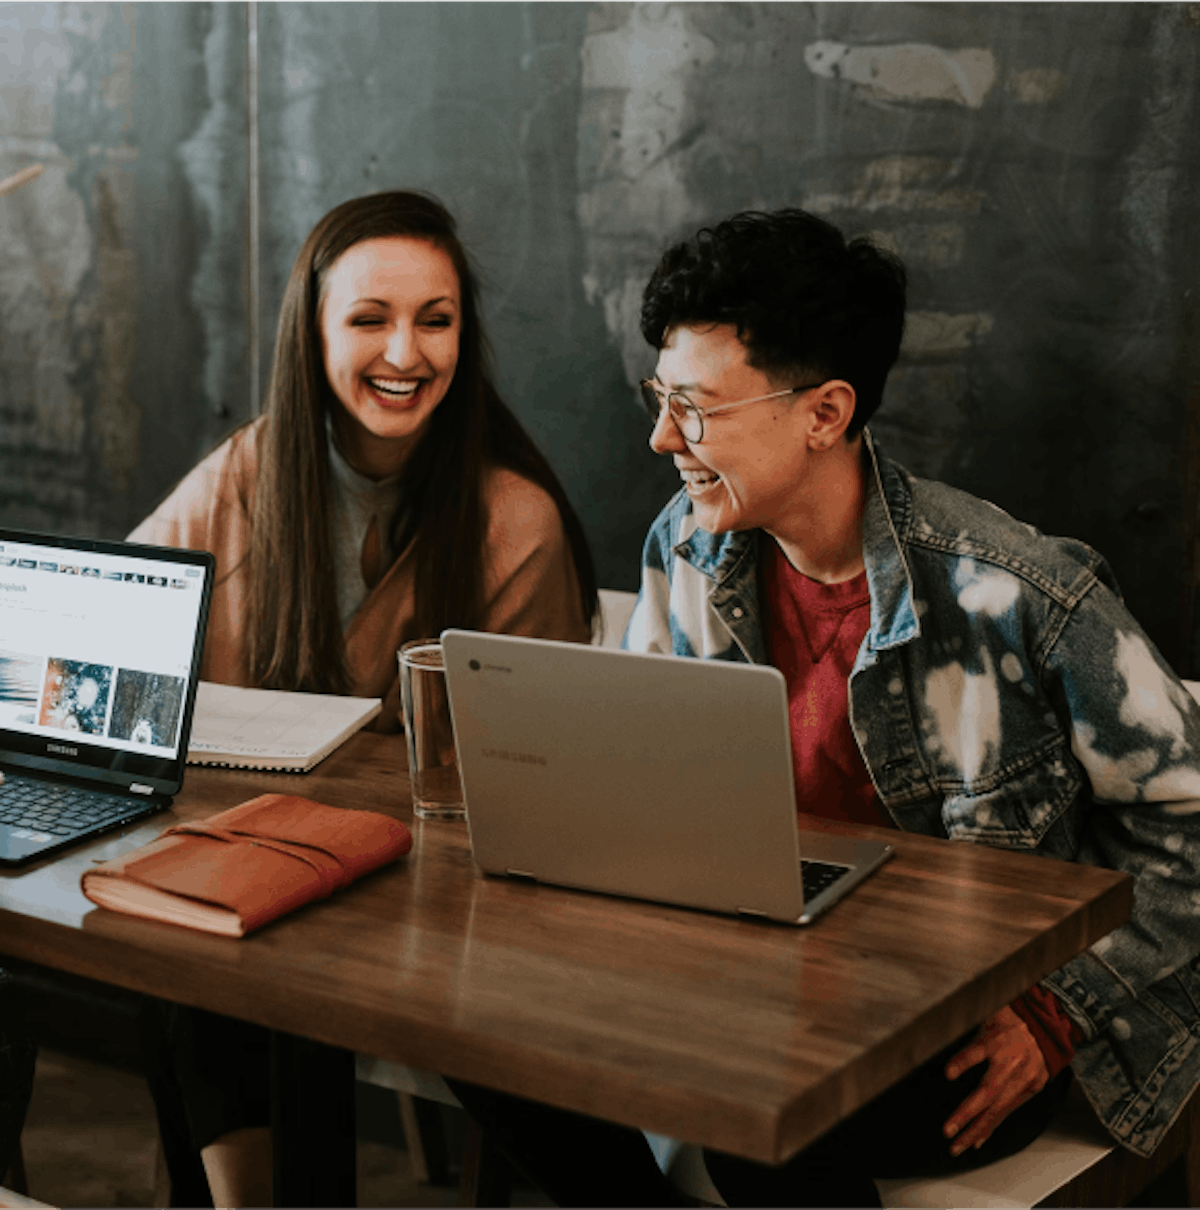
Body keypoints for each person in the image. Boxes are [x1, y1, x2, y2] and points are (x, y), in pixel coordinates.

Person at [447, 208, 1200, 1207]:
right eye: (659, 397)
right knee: (478, 1032)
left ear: (825, 412)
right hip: (754, 982)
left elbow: (1185, 823)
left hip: (958, 1019)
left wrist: (1057, 1012)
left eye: (696, 407)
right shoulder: (686, 548)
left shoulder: (1018, 594)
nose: (661, 436)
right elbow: (644, 802)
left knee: (762, 1106)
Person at [132, 190, 598, 1208]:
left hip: (430, 904)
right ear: (314, 332)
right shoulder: (251, 469)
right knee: (186, 940)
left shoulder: (512, 520)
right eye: (370, 318)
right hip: (252, 871)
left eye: (436, 319)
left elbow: (530, 782)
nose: (407, 351)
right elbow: (127, 627)